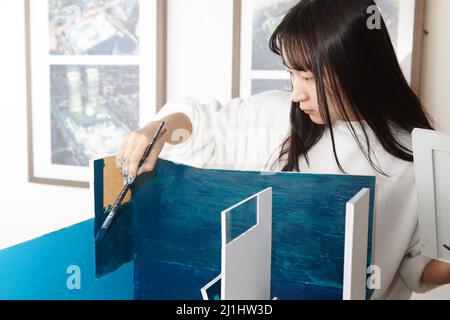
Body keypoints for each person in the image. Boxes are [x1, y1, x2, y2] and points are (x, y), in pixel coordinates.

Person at [115, 0, 450, 299]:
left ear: (356, 68)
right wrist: (156, 131)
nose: (296, 94)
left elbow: (417, 268)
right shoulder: (276, 116)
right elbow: (199, 124)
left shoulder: (419, 158)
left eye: (307, 77)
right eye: (291, 74)